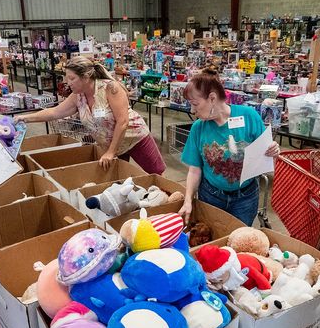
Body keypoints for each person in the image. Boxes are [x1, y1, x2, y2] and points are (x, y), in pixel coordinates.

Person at [16, 56, 166, 174]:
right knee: (119, 181)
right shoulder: (78, 96)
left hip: (134, 137)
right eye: (67, 78)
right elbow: (56, 112)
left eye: (72, 78)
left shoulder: (110, 88)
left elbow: (122, 121)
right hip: (110, 145)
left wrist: (110, 152)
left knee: (156, 174)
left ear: (86, 76)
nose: (68, 83)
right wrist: (24, 118)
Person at [179, 67, 280, 226]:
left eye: (195, 104)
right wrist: (188, 201)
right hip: (210, 196)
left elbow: (266, 155)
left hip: (245, 199)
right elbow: (194, 169)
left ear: (212, 98)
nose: (192, 110)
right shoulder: (198, 128)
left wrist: (272, 150)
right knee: (212, 239)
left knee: (239, 241)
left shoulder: (249, 116)